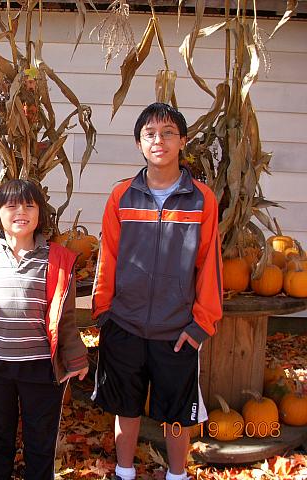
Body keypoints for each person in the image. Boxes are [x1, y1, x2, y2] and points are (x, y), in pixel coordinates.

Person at [91, 103, 223, 480]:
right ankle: (125, 471)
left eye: (167, 132)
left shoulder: (201, 200)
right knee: (126, 408)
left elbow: (209, 266)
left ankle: (177, 474)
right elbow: (108, 257)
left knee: (176, 414)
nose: (158, 140)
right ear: (139, 143)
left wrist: (201, 325)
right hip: (125, 325)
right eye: (150, 134)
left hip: (177, 330)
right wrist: (104, 314)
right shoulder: (121, 197)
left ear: (182, 141)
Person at [0, 179, 89, 480]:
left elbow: (64, 318)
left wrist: (77, 357)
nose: (21, 211)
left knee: (40, 442)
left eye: (30, 205)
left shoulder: (56, 258)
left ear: (40, 212)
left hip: (40, 369)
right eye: (12, 205)